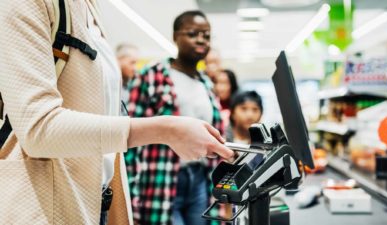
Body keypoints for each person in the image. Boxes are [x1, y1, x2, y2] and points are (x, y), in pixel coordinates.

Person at [0, 1, 233, 225]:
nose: (200, 40)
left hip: (97, 199)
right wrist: (166, 130)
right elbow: (39, 128)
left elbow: (107, 116)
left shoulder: (88, 8)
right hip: (49, 202)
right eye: (193, 33)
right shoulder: (29, 3)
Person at [125, 10, 225, 225]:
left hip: (200, 178)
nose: (201, 40)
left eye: (206, 35)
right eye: (192, 33)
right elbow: (128, 132)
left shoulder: (206, 84)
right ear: (175, 36)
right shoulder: (152, 75)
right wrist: (129, 191)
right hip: (161, 178)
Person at [116, 44, 140, 111]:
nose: (135, 68)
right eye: (132, 62)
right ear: (118, 60)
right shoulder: (108, 84)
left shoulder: (131, 85)